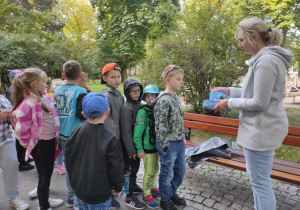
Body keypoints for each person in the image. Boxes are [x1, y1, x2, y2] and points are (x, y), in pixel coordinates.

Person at [212, 17, 293, 210]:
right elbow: (255, 93)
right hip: (261, 130)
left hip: (260, 133)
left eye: (241, 40)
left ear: (254, 37)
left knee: (260, 183)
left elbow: (259, 102)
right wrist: (229, 91)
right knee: (259, 182)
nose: (240, 45)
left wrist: (229, 103)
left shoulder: (265, 60)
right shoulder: (265, 58)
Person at [12, 68, 63, 210]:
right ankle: (44, 205)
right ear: (35, 84)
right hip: (41, 145)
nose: (46, 84)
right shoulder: (28, 103)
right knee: (44, 176)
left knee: (46, 173)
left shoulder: (43, 97)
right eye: (44, 81)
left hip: (49, 142)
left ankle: (44, 199)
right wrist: (25, 143)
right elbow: (20, 127)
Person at [65, 93, 124, 210]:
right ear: (107, 111)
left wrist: (74, 183)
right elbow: (116, 167)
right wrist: (118, 187)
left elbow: (69, 160)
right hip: (100, 193)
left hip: (79, 189)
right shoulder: (111, 138)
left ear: (83, 114)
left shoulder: (75, 131)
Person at [152, 65, 186, 210]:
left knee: (181, 170)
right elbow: (160, 126)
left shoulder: (175, 97)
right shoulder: (163, 100)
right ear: (167, 80)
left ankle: (170, 192)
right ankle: (165, 199)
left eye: (182, 79)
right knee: (167, 172)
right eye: (178, 79)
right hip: (168, 144)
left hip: (179, 142)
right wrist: (165, 145)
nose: (181, 82)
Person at [54, 60, 87, 210]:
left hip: (62, 135)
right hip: (78, 135)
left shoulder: (56, 90)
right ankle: (78, 196)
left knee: (69, 166)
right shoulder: (81, 91)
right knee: (80, 166)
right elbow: (82, 115)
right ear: (80, 76)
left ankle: (70, 196)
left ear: (63, 75)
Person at [0, 86, 29, 210]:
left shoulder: (3, 100)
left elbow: (12, 124)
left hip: (4, 139)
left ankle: (13, 198)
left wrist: (12, 118)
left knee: (12, 163)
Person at [101, 63, 124, 209]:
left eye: (118, 77)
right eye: (113, 77)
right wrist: (113, 140)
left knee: (115, 166)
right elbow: (108, 122)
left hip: (119, 137)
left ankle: (114, 190)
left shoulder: (119, 94)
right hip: (111, 139)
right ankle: (107, 195)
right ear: (105, 78)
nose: (116, 80)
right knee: (108, 167)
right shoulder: (105, 96)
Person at [133, 84, 160, 209]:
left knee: (155, 170)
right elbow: (137, 133)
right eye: (148, 96)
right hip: (147, 149)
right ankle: (146, 194)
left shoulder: (158, 111)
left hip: (157, 147)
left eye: (153, 96)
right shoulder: (142, 112)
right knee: (149, 172)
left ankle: (152, 187)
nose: (150, 98)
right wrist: (139, 148)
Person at [120, 78, 145, 209]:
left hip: (136, 145)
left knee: (135, 168)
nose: (136, 93)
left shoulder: (137, 104)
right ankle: (129, 197)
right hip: (129, 148)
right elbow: (126, 132)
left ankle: (133, 186)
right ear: (127, 92)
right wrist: (130, 150)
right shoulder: (126, 108)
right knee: (129, 171)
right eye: (132, 91)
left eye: (138, 90)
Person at [5, 69, 35, 171]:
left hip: (19, 117)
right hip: (16, 118)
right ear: (10, 80)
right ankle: (21, 162)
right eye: (16, 78)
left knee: (22, 138)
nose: (19, 80)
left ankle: (24, 157)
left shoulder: (19, 89)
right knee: (20, 138)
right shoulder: (12, 91)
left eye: (21, 77)